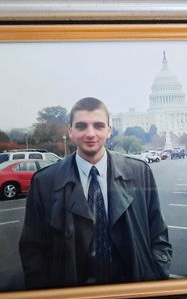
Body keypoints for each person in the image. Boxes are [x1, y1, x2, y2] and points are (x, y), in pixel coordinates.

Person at [19, 97, 172, 289]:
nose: (90, 134)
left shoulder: (139, 172)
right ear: (70, 131)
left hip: (131, 292)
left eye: (98, 126)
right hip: (72, 298)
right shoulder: (45, 181)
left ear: (109, 130)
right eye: (81, 126)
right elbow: (33, 248)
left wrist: (155, 274)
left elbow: (158, 233)